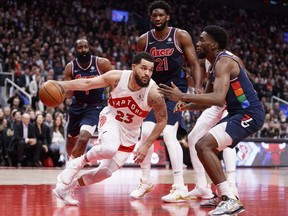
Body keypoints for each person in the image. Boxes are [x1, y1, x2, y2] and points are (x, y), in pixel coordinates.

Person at [159, 25, 265, 215]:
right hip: (237, 113)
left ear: (214, 44)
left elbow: (217, 98)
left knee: (203, 145)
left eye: (201, 40)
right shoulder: (214, 67)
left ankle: (230, 199)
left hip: (249, 114)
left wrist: (183, 96)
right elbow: (208, 102)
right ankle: (224, 194)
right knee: (206, 148)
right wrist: (187, 105)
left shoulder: (224, 62)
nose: (197, 43)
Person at [53, 52, 167, 206]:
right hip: (111, 119)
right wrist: (62, 84)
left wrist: (146, 145)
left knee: (104, 173)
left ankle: (66, 188)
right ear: (133, 67)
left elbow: (162, 120)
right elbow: (88, 83)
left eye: (151, 70)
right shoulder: (117, 78)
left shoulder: (154, 93)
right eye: (143, 68)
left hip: (131, 133)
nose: (147, 73)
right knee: (109, 148)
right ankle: (76, 163)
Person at [129, 0, 202, 202]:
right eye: (155, 16)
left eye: (161, 15)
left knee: (169, 133)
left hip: (175, 91)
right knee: (145, 133)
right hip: (152, 91)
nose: (158, 18)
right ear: (150, 17)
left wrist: (195, 88)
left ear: (168, 17)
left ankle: (179, 185)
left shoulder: (180, 35)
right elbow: (137, 68)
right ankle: (145, 182)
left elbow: (194, 63)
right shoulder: (143, 40)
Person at [188, 59, 239, 207]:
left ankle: (231, 186)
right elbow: (209, 95)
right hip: (218, 104)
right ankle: (202, 187)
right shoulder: (208, 62)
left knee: (228, 139)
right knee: (193, 137)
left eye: (202, 41)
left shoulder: (228, 59)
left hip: (233, 103)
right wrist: (196, 88)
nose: (198, 44)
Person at [63, 38, 112, 161]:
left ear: (89, 48)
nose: (83, 50)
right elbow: (68, 94)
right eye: (80, 47)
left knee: (84, 137)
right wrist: (61, 91)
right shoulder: (70, 67)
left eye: (85, 47)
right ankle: (72, 160)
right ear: (75, 50)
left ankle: (72, 165)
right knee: (71, 139)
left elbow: (114, 80)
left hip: (94, 106)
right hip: (77, 106)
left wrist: (112, 96)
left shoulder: (101, 63)